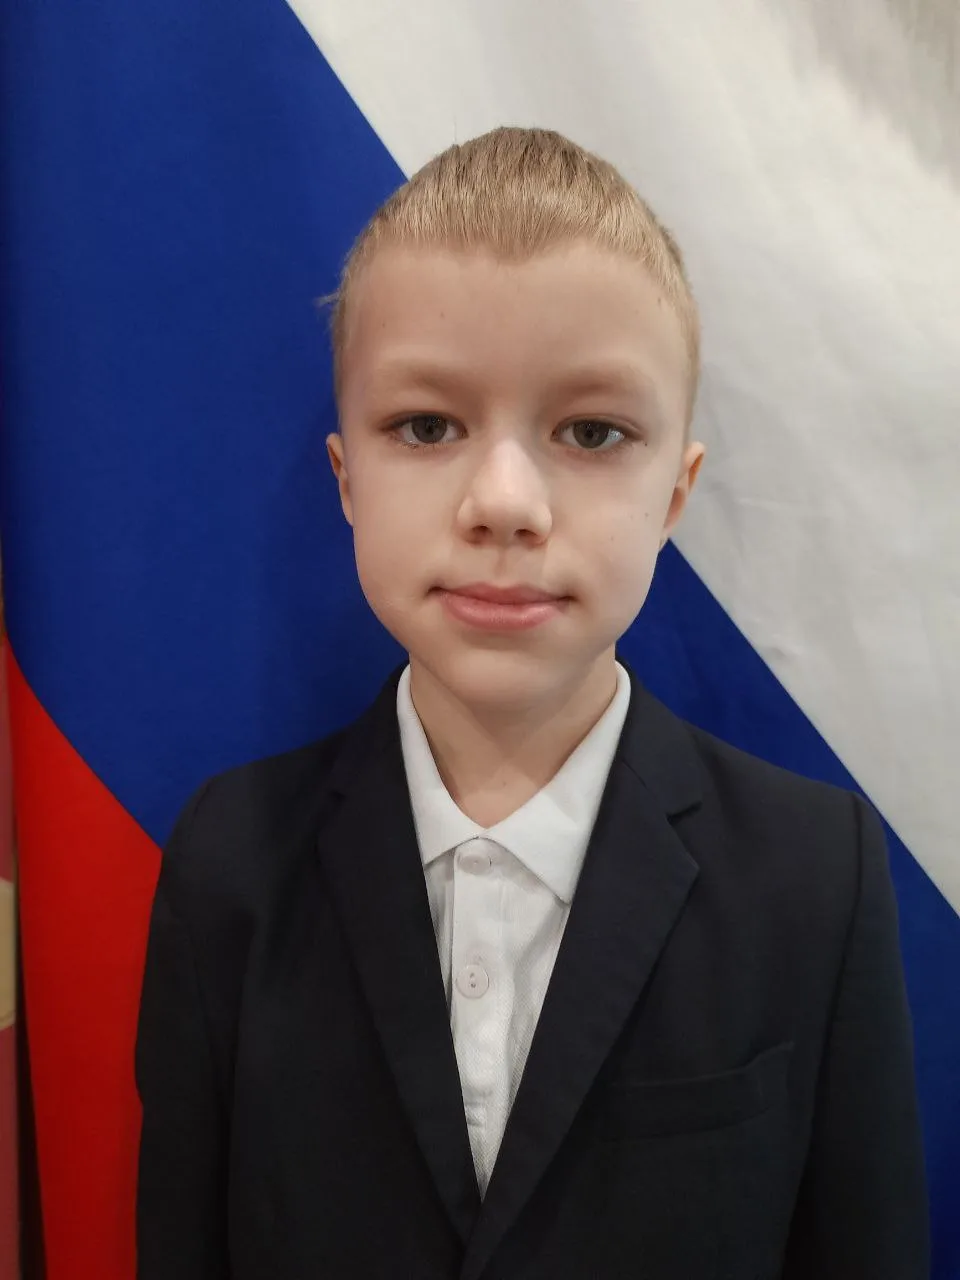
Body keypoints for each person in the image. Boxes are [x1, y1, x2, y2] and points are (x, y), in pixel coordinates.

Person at [135, 126, 929, 1279]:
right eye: (427, 425)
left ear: (676, 491)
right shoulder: (230, 860)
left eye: (591, 431)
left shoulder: (815, 874)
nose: (504, 500)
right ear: (348, 479)